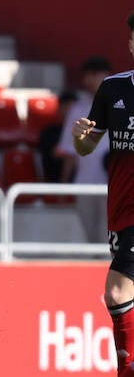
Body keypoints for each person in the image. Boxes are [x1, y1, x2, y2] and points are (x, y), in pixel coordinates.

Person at [51, 12, 134, 377]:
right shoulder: (114, 88)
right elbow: (87, 146)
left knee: (118, 293)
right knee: (117, 295)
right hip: (121, 210)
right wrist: (84, 136)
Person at [56, 56, 113, 243]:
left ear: (107, 76)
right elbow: (70, 152)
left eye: (94, 74)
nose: (89, 80)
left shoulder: (124, 105)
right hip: (84, 183)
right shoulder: (78, 109)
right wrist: (64, 185)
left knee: (111, 236)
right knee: (90, 237)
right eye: (87, 75)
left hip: (115, 183)